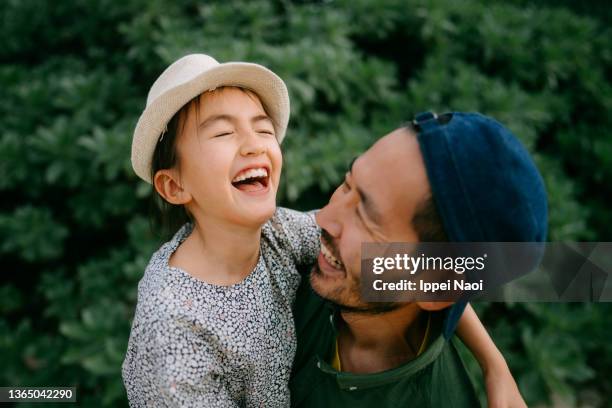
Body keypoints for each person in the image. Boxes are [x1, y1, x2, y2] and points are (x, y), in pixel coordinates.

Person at [122, 53, 524, 407]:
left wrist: (495, 366)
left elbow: (432, 264)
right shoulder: (177, 333)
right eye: (224, 133)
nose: (254, 145)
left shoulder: (275, 233)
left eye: (263, 129)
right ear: (174, 186)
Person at [290, 112, 547, 407]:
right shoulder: (329, 267)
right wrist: (494, 364)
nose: (324, 217)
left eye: (365, 218)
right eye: (348, 185)